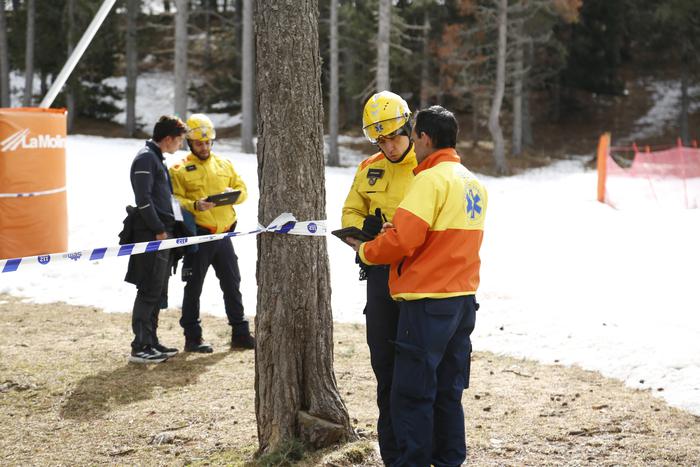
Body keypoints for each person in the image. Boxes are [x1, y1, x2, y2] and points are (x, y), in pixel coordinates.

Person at [347, 105, 488, 466]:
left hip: (426, 302)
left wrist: (365, 251)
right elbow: (443, 238)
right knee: (448, 391)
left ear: (423, 137)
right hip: (462, 300)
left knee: (411, 394)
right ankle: (449, 460)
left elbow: (403, 241)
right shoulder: (472, 181)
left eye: (409, 135)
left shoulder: (429, 179)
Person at [341, 90, 417, 465]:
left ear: (408, 128)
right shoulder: (369, 167)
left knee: (415, 368)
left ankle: (419, 449)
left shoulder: (428, 167)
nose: (388, 147)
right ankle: (392, 453)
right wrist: (365, 230)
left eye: (393, 138)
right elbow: (350, 212)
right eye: (380, 141)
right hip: (379, 275)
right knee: (384, 365)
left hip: (419, 278)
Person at [169, 113, 255, 353]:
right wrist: (195, 205)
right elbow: (174, 201)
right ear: (189, 143)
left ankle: (240, 333)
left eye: (207, 143)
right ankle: (192, 337)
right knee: (194, 287)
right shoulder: (178, 169)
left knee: (232, 283)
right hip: (199, 236)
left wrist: (233, 195)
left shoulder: (224, 164)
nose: (204, 147)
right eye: (199, 143)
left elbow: (243, 190)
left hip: (224, 235)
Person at [125, 115, 187, 364]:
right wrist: (159, 229)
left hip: (164, 233)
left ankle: (151, 341)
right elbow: (143, 199)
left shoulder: (156, 158)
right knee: (149, 289)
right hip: (153, 234)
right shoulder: (145, 158)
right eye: (180, 140)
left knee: (158, 290)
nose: (180, 145)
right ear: (169, 138)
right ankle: (140, 346)